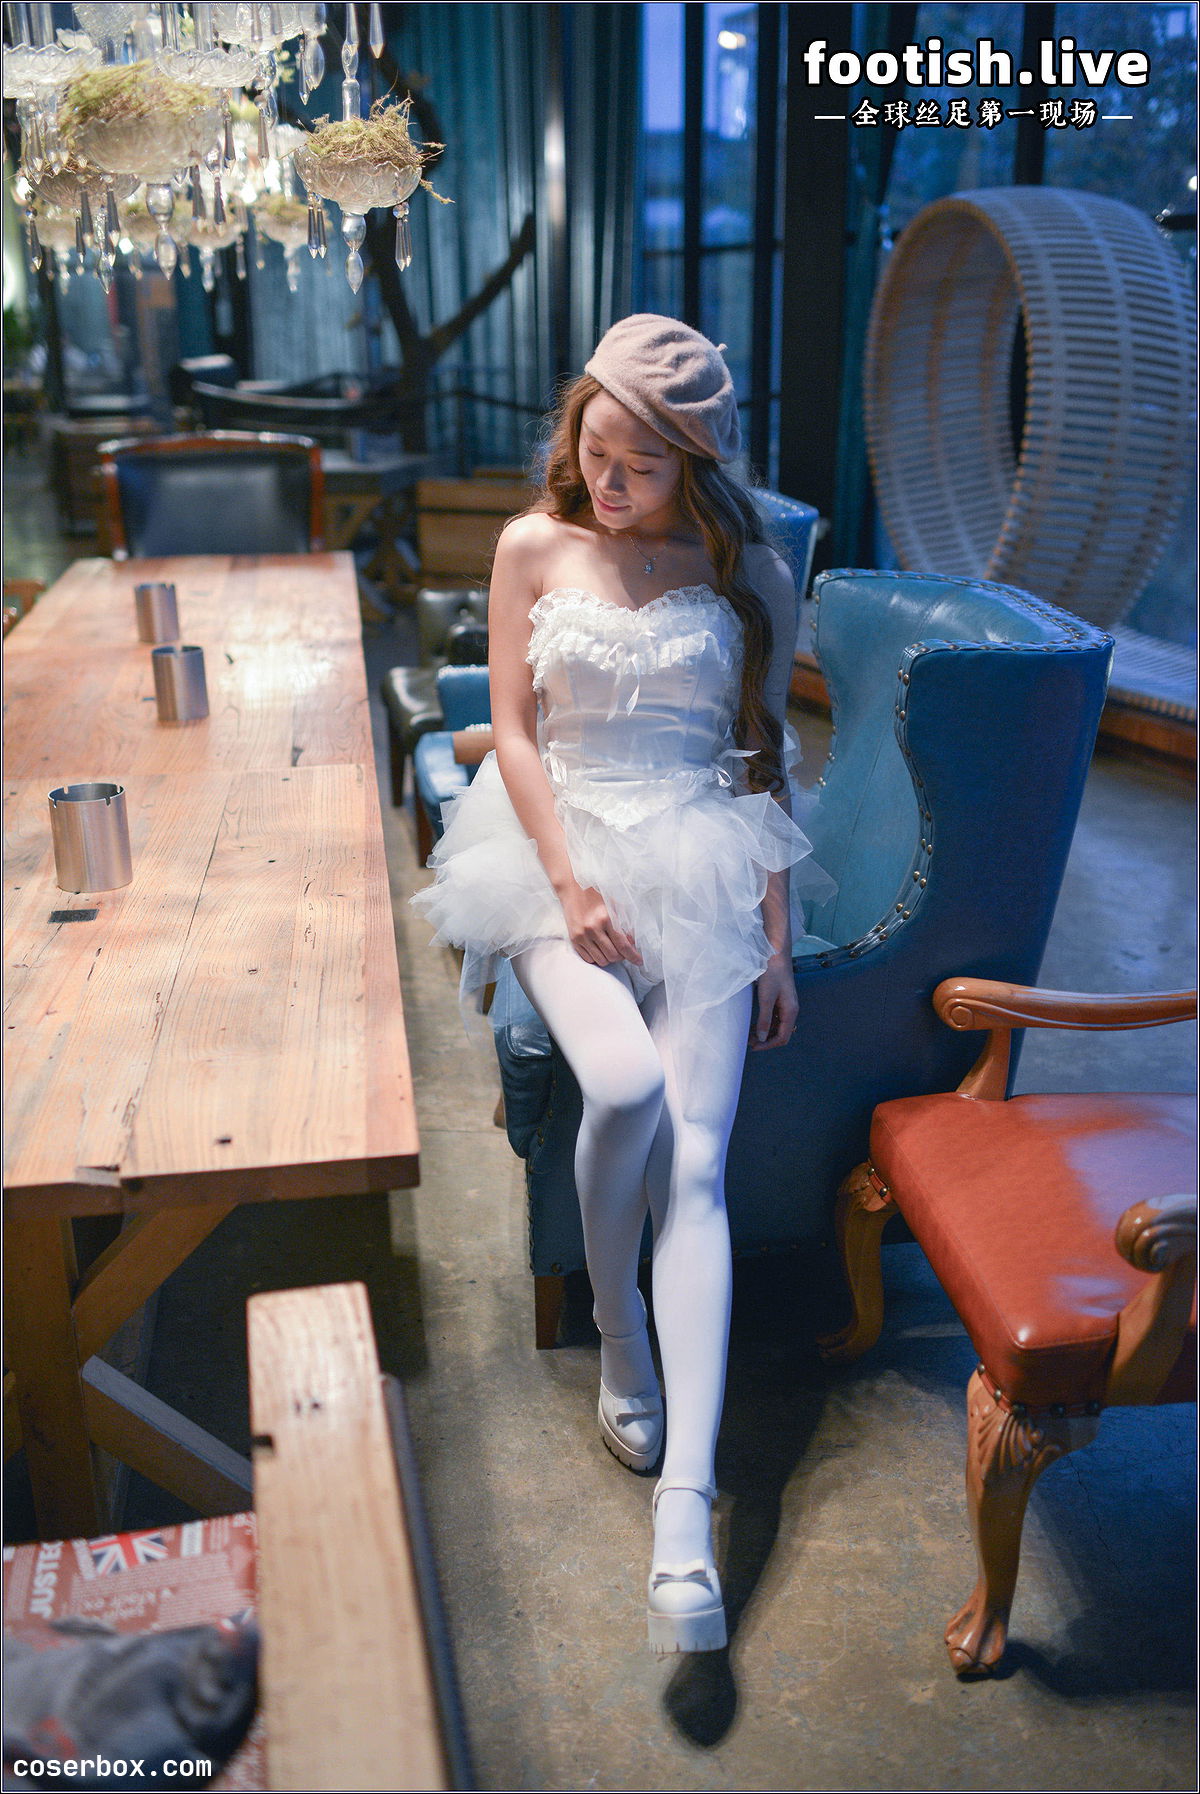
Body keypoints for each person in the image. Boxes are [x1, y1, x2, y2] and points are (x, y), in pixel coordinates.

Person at [411, 314, 833, 1656]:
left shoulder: (751, 566)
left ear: (694, 464)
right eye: (595, 450)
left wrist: (775, 939)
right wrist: (571, 882)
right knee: (626, 1085)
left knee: (698, 1161)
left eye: (641, 466)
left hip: (702, 849)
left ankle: (686, 1517)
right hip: (556, 844)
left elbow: (762, 753)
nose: (609, 481)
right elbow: (513, 731)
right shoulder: (533, 546)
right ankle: (619, 1329)